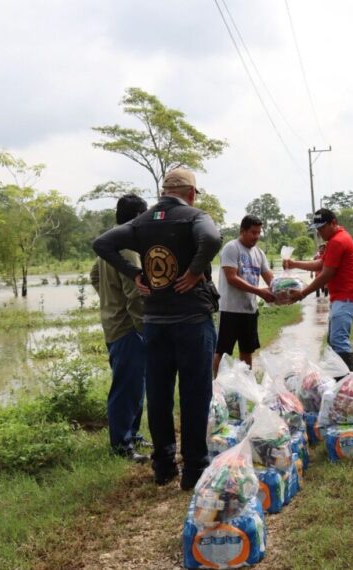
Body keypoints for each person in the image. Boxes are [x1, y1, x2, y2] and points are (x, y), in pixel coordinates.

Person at [93, 168, 222, 490]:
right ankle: (194, 469)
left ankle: (163, 466)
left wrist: (134, 272)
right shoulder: (194, 217)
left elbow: (102, 243)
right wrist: (193, 272)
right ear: (191, 193)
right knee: (195, 395)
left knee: (160, 396)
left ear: (163, 191)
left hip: (154, 324)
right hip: (192, 320)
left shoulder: (142, 222)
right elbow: (213, 238)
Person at [90, 194, 149, 463]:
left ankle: (131, 434)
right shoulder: (127, 248)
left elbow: (94, 275)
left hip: (113, 323)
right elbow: (135, 293)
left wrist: (107, 298)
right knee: (127, 388)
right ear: (138, 215)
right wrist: (143, 329)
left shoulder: (111, 244)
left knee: (135, 385)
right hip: (128, 328)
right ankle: (121, 445)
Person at [284, 208, 353, 372]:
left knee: (338, 340)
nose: (320, 232)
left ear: (333, 223)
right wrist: (295, 264)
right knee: (334, 340)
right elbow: (321, 264)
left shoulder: (337, 241)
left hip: (347, 297)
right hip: (344, 297)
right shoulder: (337, 238)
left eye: (322, 228)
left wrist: (302, 293)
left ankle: (350, 385)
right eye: (318, 229)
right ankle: (341, 381)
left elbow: (326, 273)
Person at [214, 215, 275, 375]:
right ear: (242, 231)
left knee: (247, 350)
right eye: (253, 232)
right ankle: (216, 386)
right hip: (230, 309)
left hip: (249, 310)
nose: (256, 236)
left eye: (258, 233)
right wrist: (259, 292)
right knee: (223, 350)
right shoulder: (231, 248)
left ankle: (246, 384)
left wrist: (283, 291)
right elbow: (232, 278)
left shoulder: (259, 253)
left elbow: (270, 278)